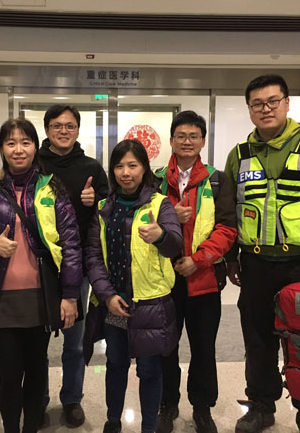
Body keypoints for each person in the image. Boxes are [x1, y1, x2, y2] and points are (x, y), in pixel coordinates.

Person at [224, 75, 300, 433]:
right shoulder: (239, 155)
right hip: (256, 265)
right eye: (257, 104)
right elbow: (229, 212)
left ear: (287, 103)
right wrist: (231, 257)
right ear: (249, 109)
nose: (265, 109)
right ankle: (261, 406)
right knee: (257, 340)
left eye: (272, 101)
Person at [0, 118, 82, 433]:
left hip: (40, 297)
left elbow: (71, 245)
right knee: (9, 373)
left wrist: (70, 295)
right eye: (11, 143)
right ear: (2, 149)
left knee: (36, 371)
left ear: (35, 147)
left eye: (25, 142)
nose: (18, 149)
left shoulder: (52, 188)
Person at [86, 139, 183, 433]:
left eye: (132, 165)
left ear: (144, 168)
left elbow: (175, 245)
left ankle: (148, 427)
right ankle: (113, 420)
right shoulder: (104, 207)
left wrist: (161, 235)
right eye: (119, 166)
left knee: (150, 370)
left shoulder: (160, 204)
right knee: (116, 364)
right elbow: (94, 256)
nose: (125, 172)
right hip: (117, 304)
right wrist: (107, 296)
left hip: (150, 304)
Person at [154, 110, 237, 433]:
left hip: (204, 279)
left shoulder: (217, 180)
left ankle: (202, 407)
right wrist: (169, 218)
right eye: (181, 136)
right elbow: (142, 223)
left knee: (204, 348)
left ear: (202, 141)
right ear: (171, 140)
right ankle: (167, 403)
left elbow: (227, 228)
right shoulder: (156, 179)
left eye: (193, 136)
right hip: (164, 280)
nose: (187, 141)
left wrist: (199, 260)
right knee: (166, 346)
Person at [38, 104, 109, 427]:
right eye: (57, 125)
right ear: (47, 130)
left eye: (69, 125)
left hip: (76, 266)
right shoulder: (36, 165)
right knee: (36, 342)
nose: (63, 131)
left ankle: (72, 399)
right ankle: (37, 398)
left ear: (78, 130)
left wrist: (96, 202)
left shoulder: (91, 167)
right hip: (39, 265)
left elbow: (110, 209)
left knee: (75, 341)